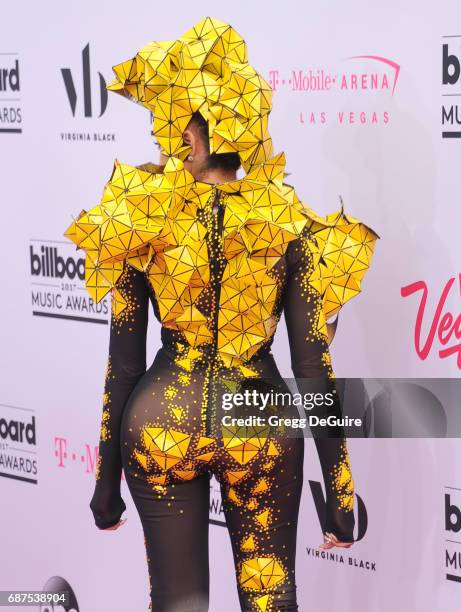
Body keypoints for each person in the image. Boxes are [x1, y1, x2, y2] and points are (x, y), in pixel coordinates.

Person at [64, 17, 378, 612]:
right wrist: (340, 491)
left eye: (176, 119)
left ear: (206, 125)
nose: (166, 134)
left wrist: (106, 485)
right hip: (258, 424)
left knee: (178, 605)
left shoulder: (141, 214)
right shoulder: (288, 221)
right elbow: (313, 367)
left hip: (162, 422)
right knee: (270, 599)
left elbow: (122, 365)